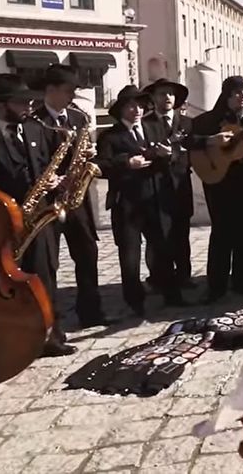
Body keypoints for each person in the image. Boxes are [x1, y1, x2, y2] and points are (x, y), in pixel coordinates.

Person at [0, 74, 74, 357]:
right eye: (21, 102)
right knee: (7, 283)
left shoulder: (35, 129)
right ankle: (11, 338)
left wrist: (55, 181)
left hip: (38, 218)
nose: (29, 106)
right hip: (0, 224)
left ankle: (50, 335)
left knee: (44, 277)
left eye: (30, 101)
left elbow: (49, 164)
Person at [95, 86, 183, 315]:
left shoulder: (153, 128)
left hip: (154, 198)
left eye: (140, 106)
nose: (137, 110)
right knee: (130, 254)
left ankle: (171, 294)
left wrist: (167, 155)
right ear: (121, 110)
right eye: (131, 106)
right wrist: (126, 162)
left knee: (163, 249)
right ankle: (135, 302)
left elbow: (172, 154)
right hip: (127, 203)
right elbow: (101, 165)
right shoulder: (110, 136)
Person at [31, 65, 107, 327]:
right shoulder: (34, 121)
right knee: (49, 262)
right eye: (68, 91)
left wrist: (87, 155)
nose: (72, 96)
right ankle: (52, 318)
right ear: (50, 90)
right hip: (48, 201)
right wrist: (51, 179)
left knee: (87, 253)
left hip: (76, 198)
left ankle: (91, 311)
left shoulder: (77, 118)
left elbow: (82, 150)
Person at [191, 76, 243, 302]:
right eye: (236, 92)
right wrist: (210, 141)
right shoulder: (208, 120)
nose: (242, 96)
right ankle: (217, 285)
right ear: (226, 96)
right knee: (222, 234)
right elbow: (188, 141)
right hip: (219, 183)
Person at [141, 77, 195, 290]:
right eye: (162, 93)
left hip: (180, 185)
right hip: (154, 188)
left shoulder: (187, 123)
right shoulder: (145, 123)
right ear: (154, 98)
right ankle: (158, 278)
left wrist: (174, 155)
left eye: (171, 94)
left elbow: (192, 151)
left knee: (181, 233)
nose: (167, 97)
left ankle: (184, 276)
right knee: (157, 236)